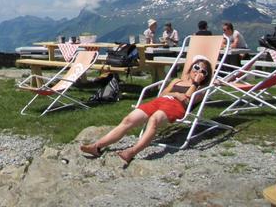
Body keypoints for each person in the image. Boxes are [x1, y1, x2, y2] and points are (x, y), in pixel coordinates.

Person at [79, 55, 213, 165]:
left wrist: (195, 83)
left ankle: (131, 152)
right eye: (196, 67)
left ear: (205, 76)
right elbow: (162, 93)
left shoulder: (200, 89)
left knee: (154, 120)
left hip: (175, 107)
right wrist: (176, 94)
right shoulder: (176, 80)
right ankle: (97, 147)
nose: (198, 72)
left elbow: (187, 100)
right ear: (190, 68)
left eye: (203, 71)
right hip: (159, 101)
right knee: (128, 119)